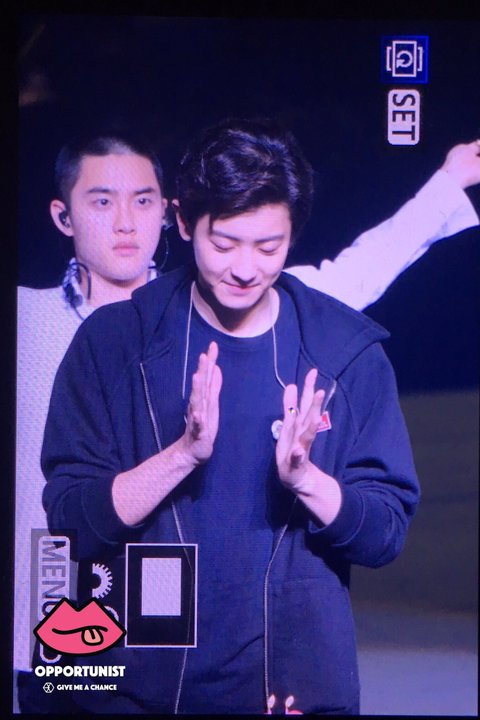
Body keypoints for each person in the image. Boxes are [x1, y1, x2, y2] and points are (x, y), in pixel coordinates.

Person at [14, 132, 480, 711]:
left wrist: (305, 477)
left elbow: (384, 533)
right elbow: (71, 520)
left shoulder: (341, 349)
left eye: (268, 247)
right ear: (185, 224)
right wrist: (184, 452)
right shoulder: (103, 340)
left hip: (289, 688)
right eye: (225, 243)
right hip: (116, 668)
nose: (244, 268)